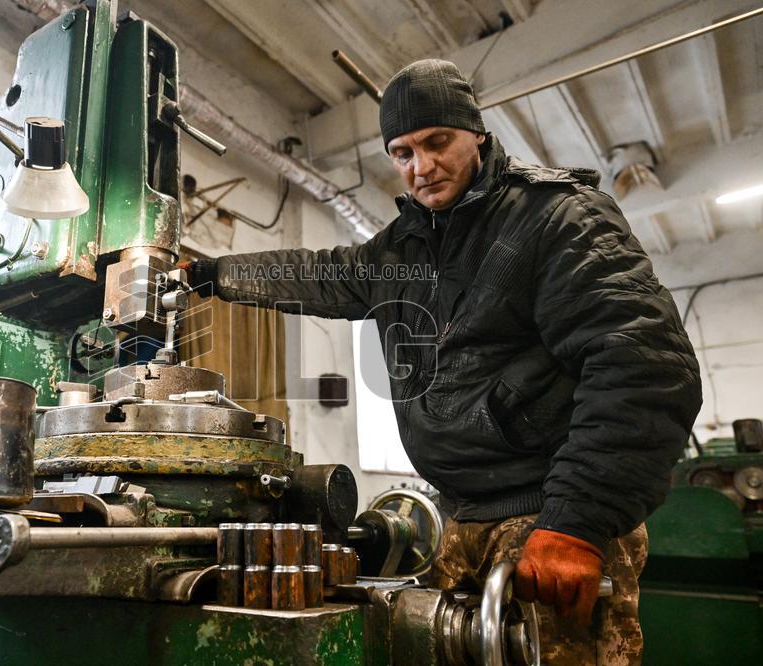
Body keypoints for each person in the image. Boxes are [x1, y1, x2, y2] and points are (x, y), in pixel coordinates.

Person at [183, 59, 701, 664]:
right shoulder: (404, 249)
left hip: (548, 524)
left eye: (437, 142)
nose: (421, 167)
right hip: (460, 525)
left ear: (476, 133)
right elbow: (316, 274)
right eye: (402, 152)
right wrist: (211, 273)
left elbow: (644, 366)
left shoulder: (558, 219)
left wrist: (576, 521)